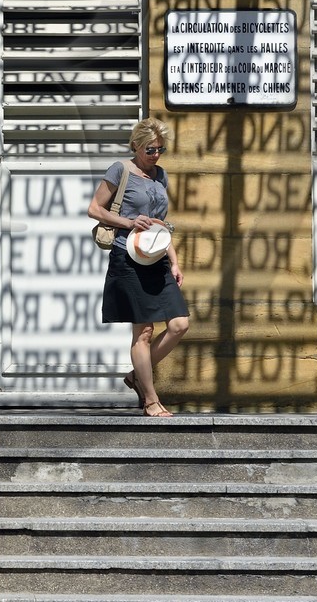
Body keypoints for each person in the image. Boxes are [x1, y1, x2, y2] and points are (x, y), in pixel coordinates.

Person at [89, 117, 188, 417]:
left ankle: (135, 376)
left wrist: (174, 260)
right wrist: (129, 222)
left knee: (179, 324)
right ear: (135, 145)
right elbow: (95, 209)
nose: (155, 155)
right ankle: (150, 400)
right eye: (150, 149)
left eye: (160, 149)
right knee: (144, 331)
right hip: (127, 257)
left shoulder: (161, 176)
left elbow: (160, 224)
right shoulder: (120, 170)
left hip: (156, 257)